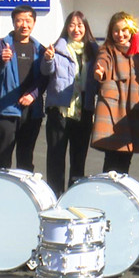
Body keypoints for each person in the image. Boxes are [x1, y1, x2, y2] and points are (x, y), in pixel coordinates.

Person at [41, 11, 99, 196]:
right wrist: (48, 59)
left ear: (86, 28)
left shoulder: (94, 52)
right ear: (66, 27)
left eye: (80, 25)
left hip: (84, 111)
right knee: (55, 157)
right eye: (72, 25)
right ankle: (55, 196)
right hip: (59, 111)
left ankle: (73, 197)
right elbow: (46, 71)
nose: (76, 29)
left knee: (78, 159)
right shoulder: (57, 49)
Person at [0, 5, 48, 172]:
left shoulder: (39, 49)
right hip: (7, 110)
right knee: (2, 157)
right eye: (20, 20)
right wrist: (1, 61)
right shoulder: (1, 45)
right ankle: (1, 186)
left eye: (28, 21)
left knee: (26, 157)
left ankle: (23, 187)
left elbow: (44, 77)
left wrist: (33, 95)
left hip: (32, 111)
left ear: (34, 23)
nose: (24, 25)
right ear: (13, 22)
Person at [91, 11, 139, 174]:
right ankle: (107, 187)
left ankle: (120, 187)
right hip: (114, 111)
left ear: (131, 31)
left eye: (124, 30)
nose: (120, 34)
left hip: (132, 111)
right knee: (111, 159)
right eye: (116, 31)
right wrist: (99, 72)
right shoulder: (107, 50)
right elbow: (102, 63)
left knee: (126, 158)